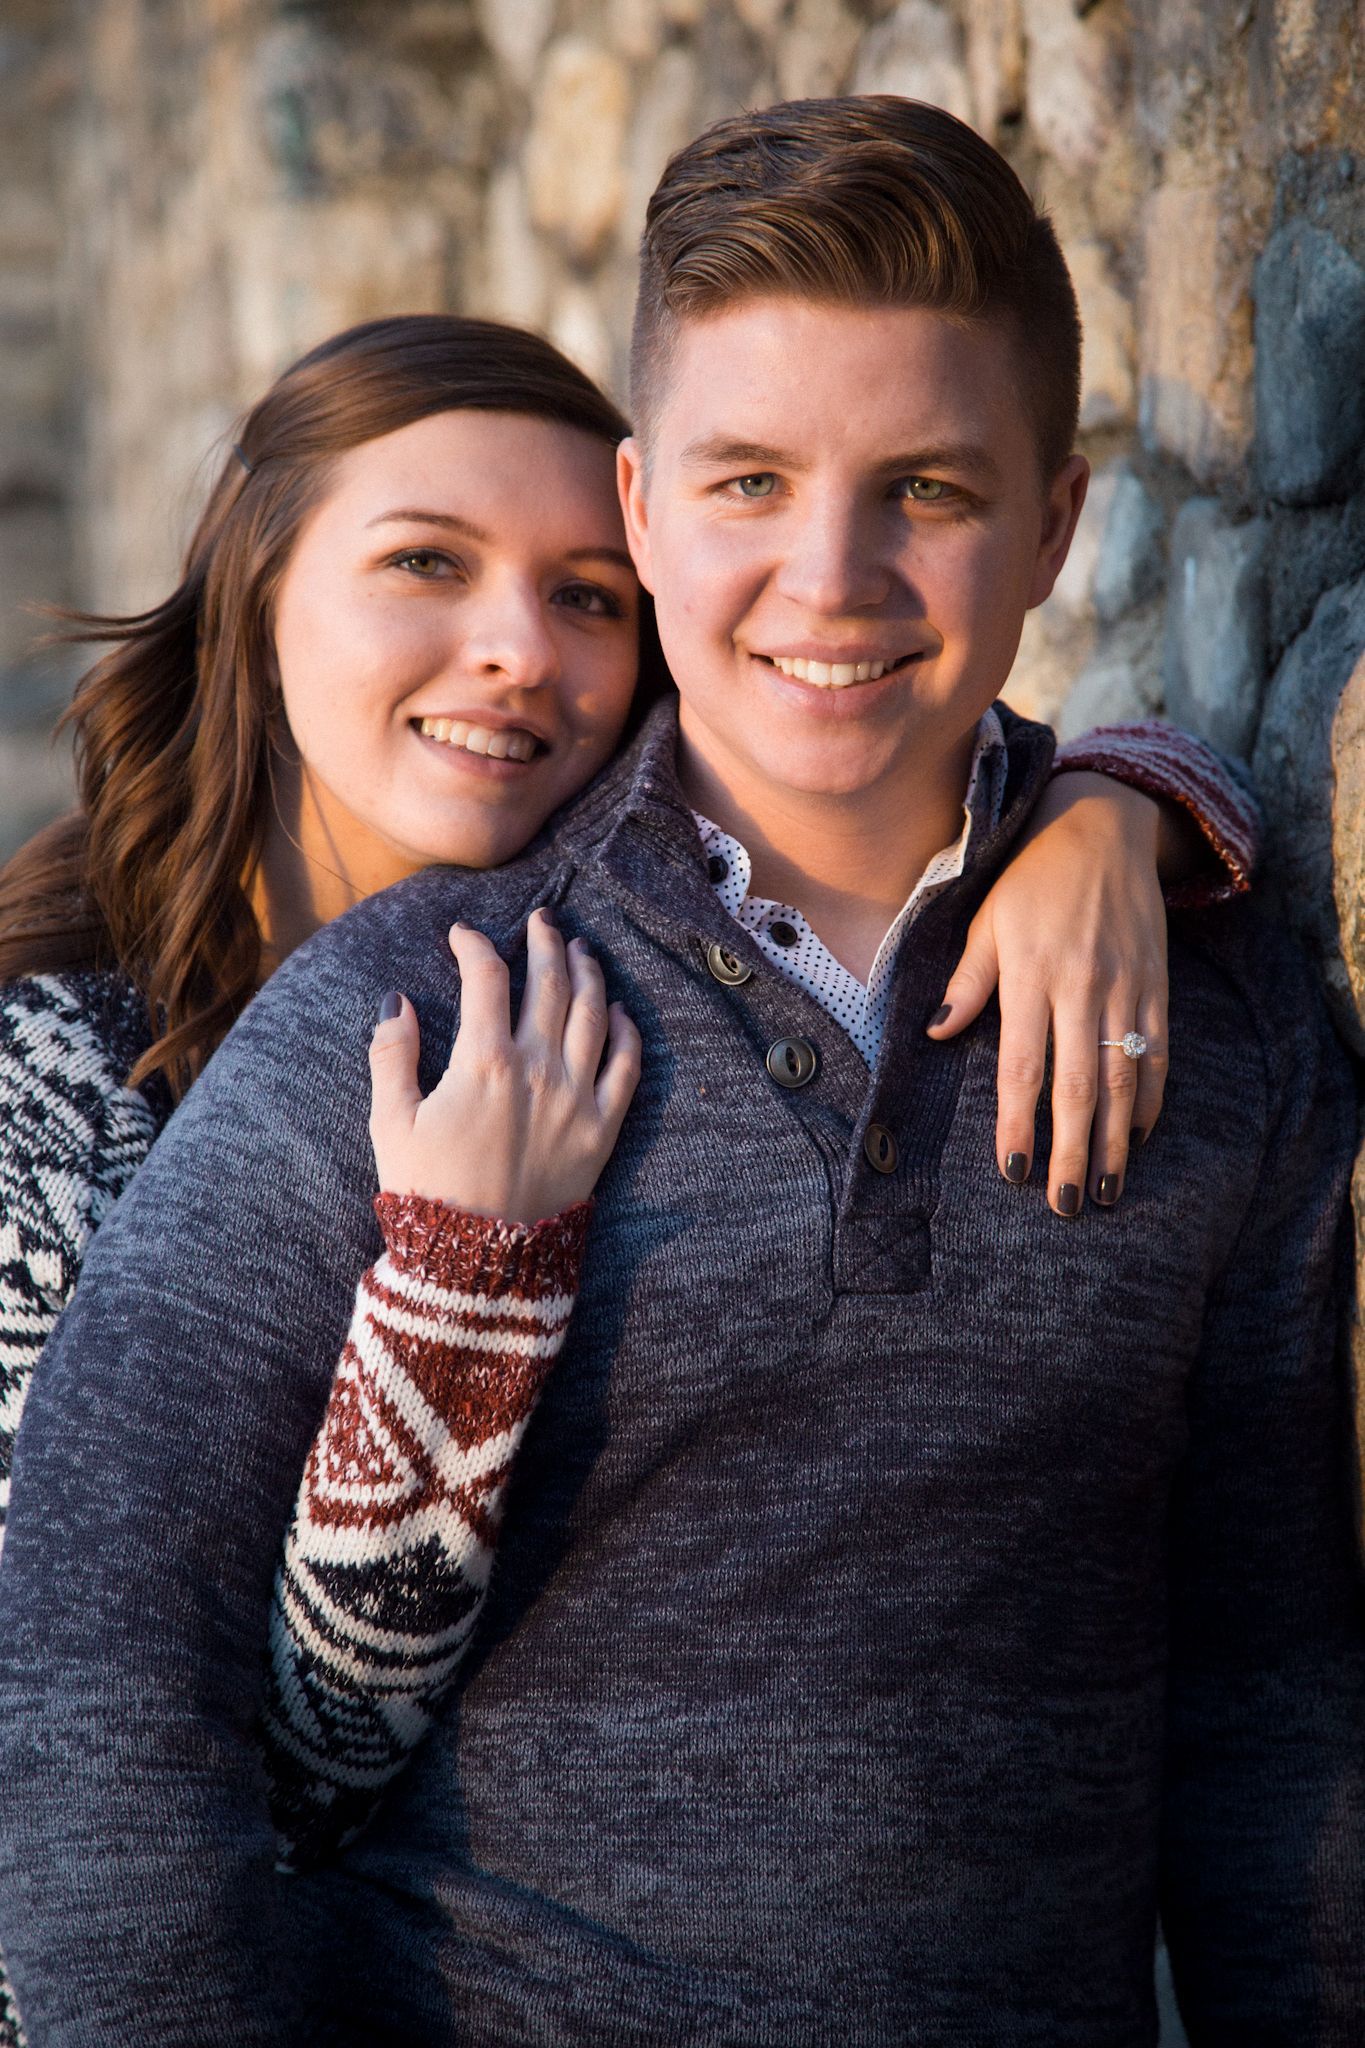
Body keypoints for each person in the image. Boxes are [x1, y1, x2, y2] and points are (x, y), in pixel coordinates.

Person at [1, 95, 1351, 2040]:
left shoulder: (1201, 1025)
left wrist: (1129, 802)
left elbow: (1267, 1710)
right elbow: (103, 1664)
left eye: (928, 491)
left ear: (1055, 522)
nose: (830, 574)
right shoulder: (393, 1012)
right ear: (646, 509)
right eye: (743, 484)